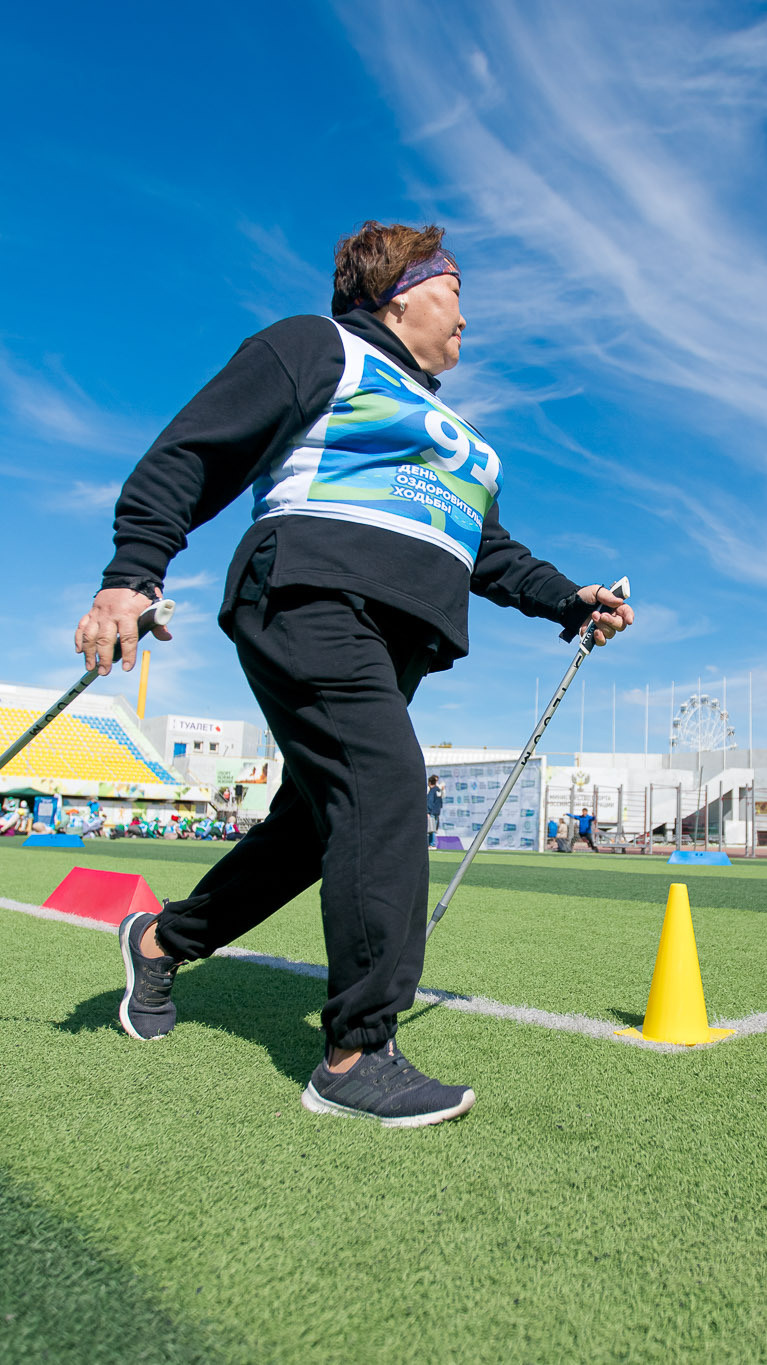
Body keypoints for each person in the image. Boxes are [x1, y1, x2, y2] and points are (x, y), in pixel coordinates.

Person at [77, 221, 632, 1126]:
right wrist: (132, 574)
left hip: (397, 639)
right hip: (304, 591)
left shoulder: (466, 442)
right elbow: (196, 450)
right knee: (387, 786)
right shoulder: (317, 347)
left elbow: (492, 555)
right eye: (457, 292)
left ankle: (162, 938)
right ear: (401, 292)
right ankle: (355, 1052)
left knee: (312, 829)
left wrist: (573, 601)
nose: (467, 319)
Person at [425, 775, 443, 847]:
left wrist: (428, 812)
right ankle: (431, 844)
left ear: (429, 782)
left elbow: (430, 802)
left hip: (432, 812)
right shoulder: (438, 790)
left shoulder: (432, 791)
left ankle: (432, 844)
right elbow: (439, 802)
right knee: (433, 827)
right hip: (437, 811)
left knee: (431, 829)